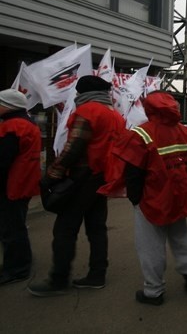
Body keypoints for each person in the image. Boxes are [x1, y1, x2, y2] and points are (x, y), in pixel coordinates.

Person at [29, 76, 125, 296]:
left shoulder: (87, 111)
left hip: (83, 176)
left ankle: (58, 280)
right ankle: (97, 274)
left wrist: (52, 174)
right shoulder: (115, 115)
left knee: (65, 228)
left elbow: (74, 148)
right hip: (102, 176)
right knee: (97, 227)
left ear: (82, 92)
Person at [113, 91, 187, 305]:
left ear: (149, 109)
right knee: (181, 235)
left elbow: (133, 171)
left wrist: (135, 199)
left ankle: (153, 291)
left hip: (152, 198)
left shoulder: (141, 134)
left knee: (151, 246)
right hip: (179, 195)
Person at [0, 89, 41, 286]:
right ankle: (21, 263)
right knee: (16, 225)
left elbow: (3, 160)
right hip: (23, 181)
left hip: (12, 184)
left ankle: (17, 269)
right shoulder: (27, 122)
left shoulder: (12, 126)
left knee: (12, 228)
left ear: (8, 105)